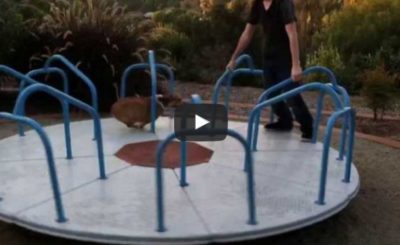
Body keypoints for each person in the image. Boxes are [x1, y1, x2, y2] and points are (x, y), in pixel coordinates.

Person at [226, 0, 313, 141]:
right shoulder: (258, 4)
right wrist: (234, 58)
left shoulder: (284, 3)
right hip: (268, 58)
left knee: (292, 95)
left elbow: (292, 34)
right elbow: (247, 33)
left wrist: (296, 65)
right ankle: (285, 121)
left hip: (286, 58)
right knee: (270, 95)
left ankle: (308, 128)